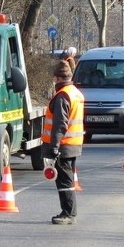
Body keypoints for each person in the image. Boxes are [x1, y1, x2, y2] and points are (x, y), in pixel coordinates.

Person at [42, 60, 85, 225]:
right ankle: (68, 211)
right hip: (73, 143)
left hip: (64, 145)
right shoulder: (74, 92)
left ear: (57, 78)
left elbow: (60, 124)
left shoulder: (62, 96)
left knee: (64, 180)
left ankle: (68, 213)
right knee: (67, 178)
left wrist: (54, 146)